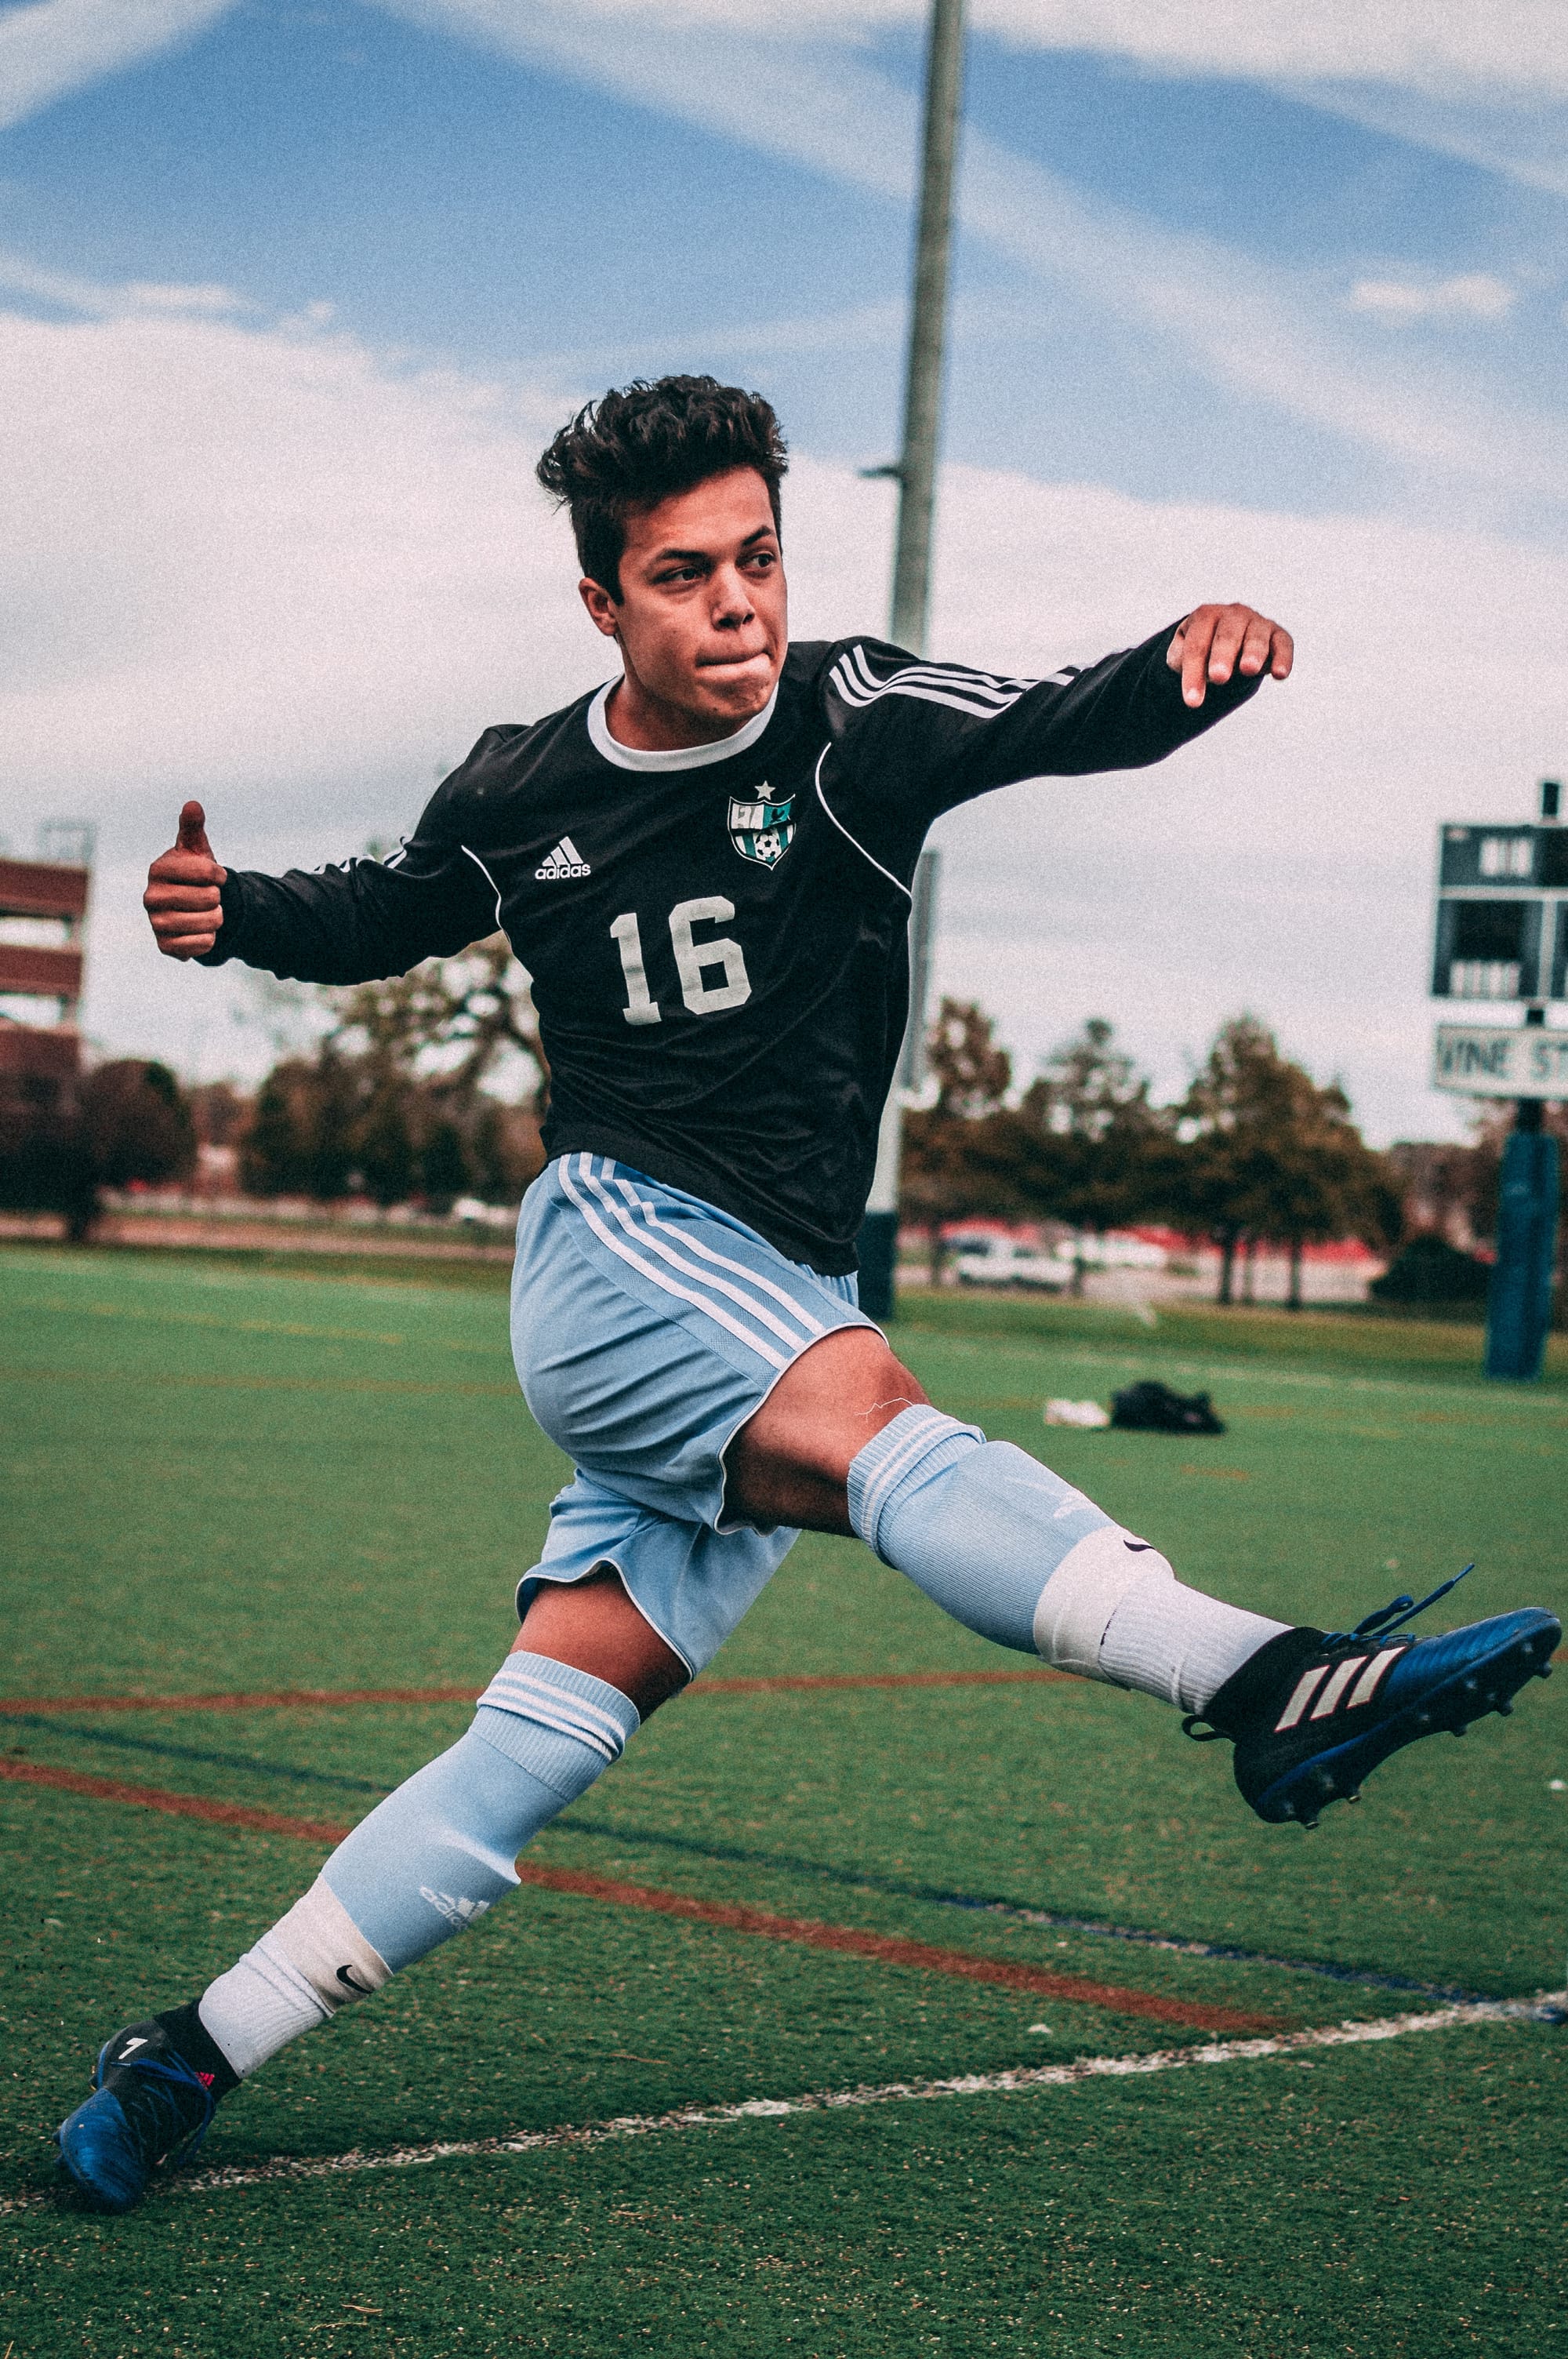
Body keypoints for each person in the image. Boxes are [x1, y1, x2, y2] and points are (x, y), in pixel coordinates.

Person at [59, 376, 1558, 2213]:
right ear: (603, 604)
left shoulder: (851, 721)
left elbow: (1055, 716)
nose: (741, 606)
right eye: (685, 575)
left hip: (763, 1297)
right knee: (885, 1426)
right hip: (618, 1254)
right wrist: (233, 907)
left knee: (530, 1749)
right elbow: (382, 908)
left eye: (760, 558)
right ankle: (1269, 1681)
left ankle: (192, 2045)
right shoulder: (521, 782)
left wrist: (1190, 658)